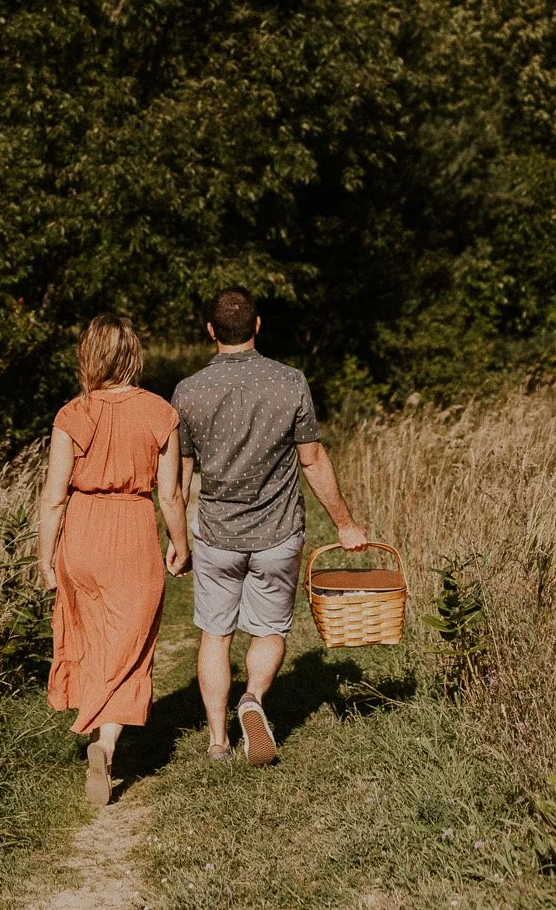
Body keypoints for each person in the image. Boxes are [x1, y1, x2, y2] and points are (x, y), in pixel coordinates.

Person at [171, 287, 369, 766]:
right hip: (278, 533)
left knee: (215, 636)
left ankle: (218, 741)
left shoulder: (187, 391)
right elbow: (313, 459)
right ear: (257, 326)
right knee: (270, 629)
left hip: (217, 534)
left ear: (211, 331)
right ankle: (253, 699)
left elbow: (177, 481)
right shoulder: (290, 381)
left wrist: (178, 539)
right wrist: (345, 524)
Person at [38, 314, 192, 806]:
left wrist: (45, 556)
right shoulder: (159, 412)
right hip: (131, 529)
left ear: (90, 356)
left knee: (91, 634)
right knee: (131, 643)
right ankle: (104, 742)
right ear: (133, 356)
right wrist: (181, 543)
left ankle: (96, 727)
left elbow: (53, 497)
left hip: (81, 532)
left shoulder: (72, 414)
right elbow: (169, 494)